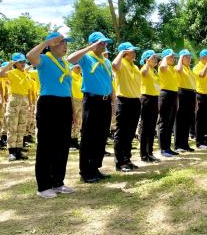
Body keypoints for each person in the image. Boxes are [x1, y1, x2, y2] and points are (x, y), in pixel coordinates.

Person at [26, 32, 74, 198]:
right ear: (52, 44)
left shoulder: (65, 63)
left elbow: (68, 87)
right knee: (47, 145)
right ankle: (44, 186)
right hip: (49, 104)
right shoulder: (44, 59)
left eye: (66, 43)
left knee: (62, 145)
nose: (65, 46)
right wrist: (46, 42)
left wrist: (72, 109)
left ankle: (58, 182)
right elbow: (30, 55)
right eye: (61, 43)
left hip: (65, 104)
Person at [67, 31, 114, 183]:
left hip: (105, 101)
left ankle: (95, 167)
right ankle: (85, 171)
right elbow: (70, 58)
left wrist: (113, 101)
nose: (104, 45)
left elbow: (109, 83)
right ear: (93, 44)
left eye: (105, 42)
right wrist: (89, 48)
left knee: (101, 135)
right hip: (92, 101)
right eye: (101, 42)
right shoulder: (87, 58)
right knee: (89, 136)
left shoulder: (106, 62)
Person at [111, 42, 141, 171]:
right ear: (125, 53)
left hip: (135, 101)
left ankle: (127, 159)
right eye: (132, 50)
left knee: (130, 133)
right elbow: (114, 65)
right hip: (123, 100)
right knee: (121, 132)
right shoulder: (121, 63)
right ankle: (120, 162)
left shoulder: (135, 66)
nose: (134, 52)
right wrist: (122, 52)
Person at [0, 53, 32, 161]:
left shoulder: (27, 74)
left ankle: (18, 150)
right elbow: (0, 74)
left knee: (22, 126)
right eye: (20, 61)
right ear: (15, 63)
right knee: (12, 126)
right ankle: (11, 151)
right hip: (14, 99)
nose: (23, 63)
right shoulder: (12, 72)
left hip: (24, 100)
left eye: (24, 61)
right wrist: (10, 64)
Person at [139, 50, 160, 162]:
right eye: (153, 58)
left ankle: (150, 152)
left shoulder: (154, 71)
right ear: (147, 59)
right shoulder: (145, 68)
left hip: (155, 98)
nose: (155, 60)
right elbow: (143, 74)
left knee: (152, 127)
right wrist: (147, 62)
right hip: (146, 98)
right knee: (145, 127)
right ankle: (143, 154)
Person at [158, 49, 179, 157]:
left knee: (170, 122)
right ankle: (163, 148)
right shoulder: (163, 64)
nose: (173, 58)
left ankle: (168, 147)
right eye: (171, 56)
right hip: (165, 94)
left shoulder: (173, 68)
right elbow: (162, 67)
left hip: (174, 94)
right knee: (164, 122)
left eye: (173, 56)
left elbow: (179, 68)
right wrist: (165, 58)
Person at [174, 49, 196, 152]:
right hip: (182, 92)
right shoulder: (178, 67)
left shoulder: (189, 69)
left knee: (187, 120)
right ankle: (178, 145)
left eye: (189, 57)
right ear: (182, 58)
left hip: (191, 94)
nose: (189, 59)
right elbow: (178, 69)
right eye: (186, 57)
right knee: (180, 120)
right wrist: (180, 59)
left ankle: (185, 143)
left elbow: (193, 85)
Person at [193, 49, 207, 150]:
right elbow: (202, 75)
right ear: (203, 57)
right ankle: (199, 142)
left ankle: (205, 141)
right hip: (200, 95)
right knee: (200, 120)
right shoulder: (197, 67)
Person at [70, 64, 83, 149]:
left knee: (79, 121)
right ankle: (69, 140)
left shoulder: (81, 77)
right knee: (72, 121)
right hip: (72, 100)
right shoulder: (70, 76)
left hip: (81, 100)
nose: (79, 68)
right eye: (77, 66)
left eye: (80, 67)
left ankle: (75, 139)